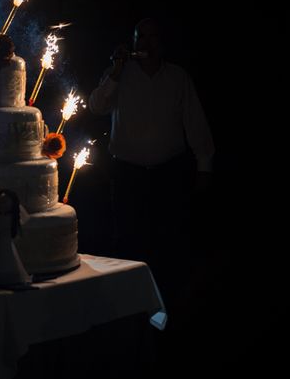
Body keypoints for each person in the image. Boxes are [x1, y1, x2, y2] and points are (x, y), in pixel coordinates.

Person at [89, 18, 214, 316]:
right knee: (128, 239)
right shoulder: (118, 75)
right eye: (139, 37)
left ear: (162, 42)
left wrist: (205, 165)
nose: (145, 43)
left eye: (152, 37)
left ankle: (167, 304)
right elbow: (96, 106)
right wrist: (117, 71)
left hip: (168, 172)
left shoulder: (177, 77)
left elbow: (195, 123)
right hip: (127, 173)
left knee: (169, 239)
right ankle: (127, 306)